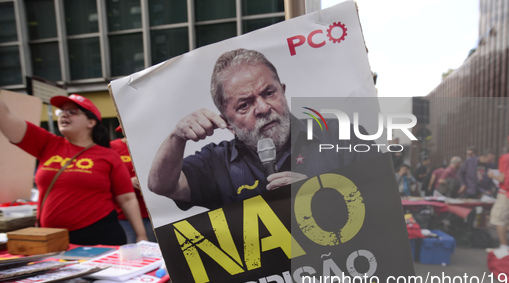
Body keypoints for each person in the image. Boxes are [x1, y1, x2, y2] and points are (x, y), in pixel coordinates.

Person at [148, 48, 373, 210]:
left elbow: (385, 205)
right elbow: (164, 186)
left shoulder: (343, 136)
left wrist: (322, 198)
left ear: (282, 91)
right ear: (226, 121)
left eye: (269, 93)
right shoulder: (217, 161)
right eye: (244, 105)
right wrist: (176, 137)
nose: (263, 108)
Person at [0, 94, 147, 246]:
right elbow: (5, 117)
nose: (64, 114)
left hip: (99, 237)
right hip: (52, 239)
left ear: (91, 122)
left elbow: (127, 199)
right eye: (61, 111)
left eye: (72, 111)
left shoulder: (109, 155)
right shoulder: (47, 144)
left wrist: (141, 235)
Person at [110, 126, 156, 243]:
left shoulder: (154, 146)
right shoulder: (112, 147)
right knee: (134, 254)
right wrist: (127, 182)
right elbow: (103, 180)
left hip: (155, 213)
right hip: (125, 216)